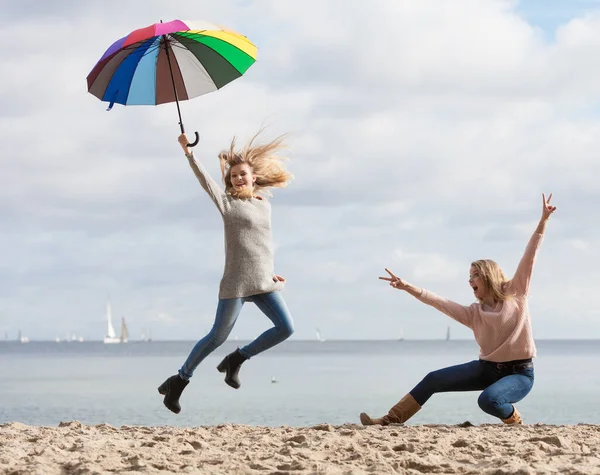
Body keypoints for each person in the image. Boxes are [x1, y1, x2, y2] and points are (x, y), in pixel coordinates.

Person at [360, 193, 557, 426]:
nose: (470, 280)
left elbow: (530, 256)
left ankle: (514, 420)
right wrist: (406, 286)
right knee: (433, 379)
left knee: (488, 401)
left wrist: (543, 220)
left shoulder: (516, 293)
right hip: (487, 369)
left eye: (475, 275)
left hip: (519, 374)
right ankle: (390, 419)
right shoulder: (474, 313)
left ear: (487, 276)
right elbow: (438, 301)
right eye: (469, 276)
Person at [158, 130, 295, 414]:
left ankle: (236, 359)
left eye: (242, 174)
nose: (238, 179)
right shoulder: (228, 204)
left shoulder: (264, 205)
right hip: (236, 283)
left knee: (286, 328)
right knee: (216, 337)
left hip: (263, 282)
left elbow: (262, 244)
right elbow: (205, 181)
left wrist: (271, 272)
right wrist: (189, 153)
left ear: (253, 176)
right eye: (233, 176)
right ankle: (179, 380)